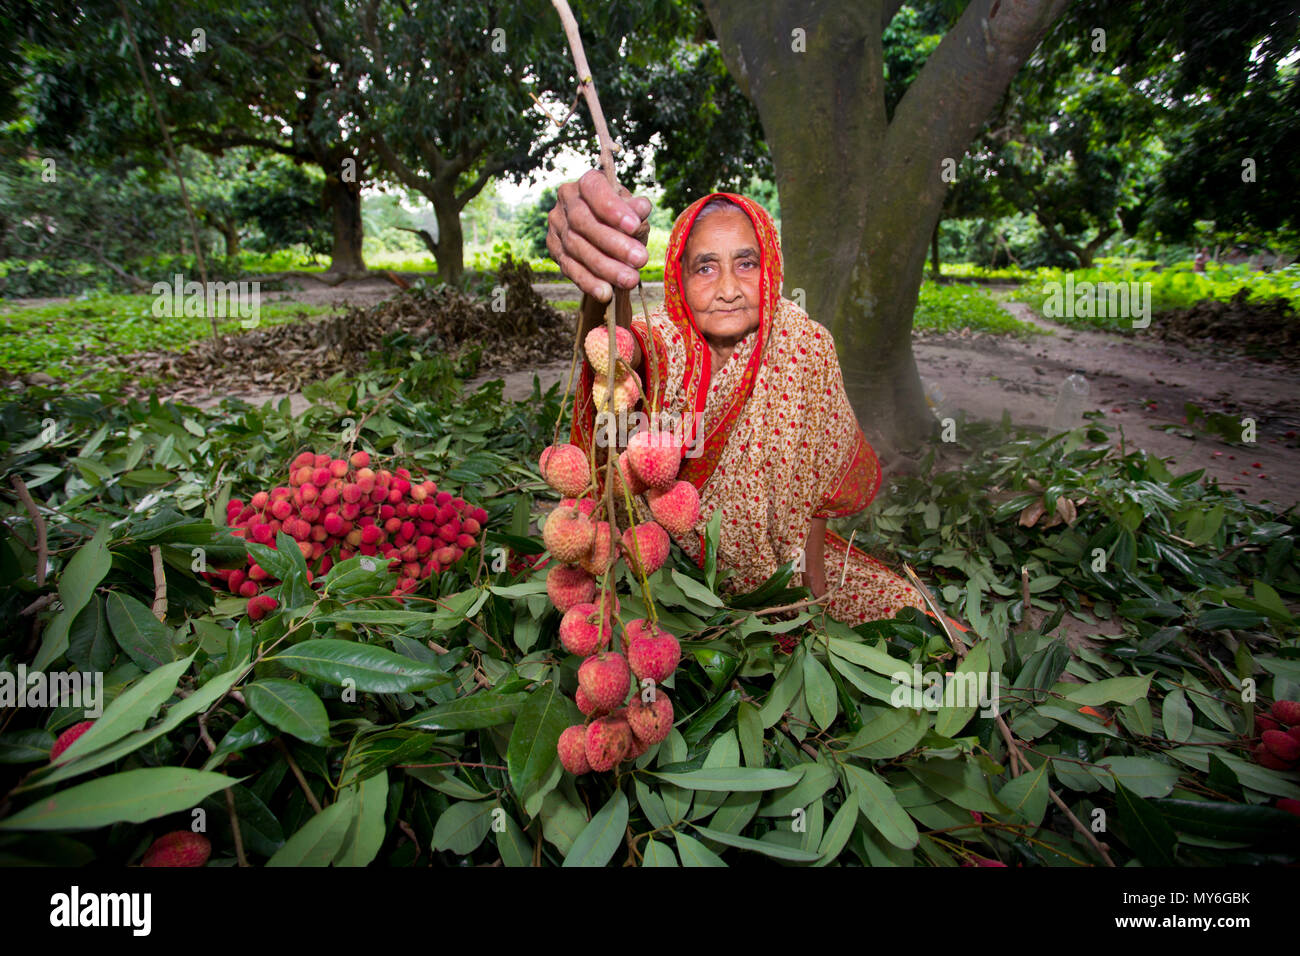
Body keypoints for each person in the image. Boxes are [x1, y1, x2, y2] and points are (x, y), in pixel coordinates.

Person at [547, 171, 936, 627]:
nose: (729, 289)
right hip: (670, 563)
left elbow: (820, 481)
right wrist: (606, 281)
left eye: (746, 263)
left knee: (908, 612)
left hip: (779, 558)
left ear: (769, 265)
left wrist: (813, 589)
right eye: (706, 268)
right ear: (679, 277)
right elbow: (610, 378)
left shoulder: (803, 346)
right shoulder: (664, 346)